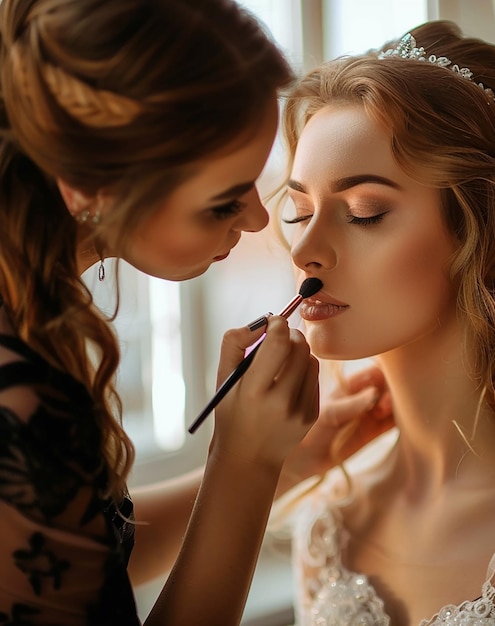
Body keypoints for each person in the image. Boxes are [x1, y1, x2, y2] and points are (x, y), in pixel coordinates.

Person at [0, 1, 393, 624]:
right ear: (90, 184)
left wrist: (280, 467)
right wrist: (245, 462)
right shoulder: (16, 399)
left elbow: (70, 567)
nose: (263, 222)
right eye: (221, 203)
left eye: (368, 212)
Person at [278, 19, 495, 626]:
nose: (305, 249)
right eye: (299, 209)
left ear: (476, 232)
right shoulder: (327, 519)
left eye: (363, 212)